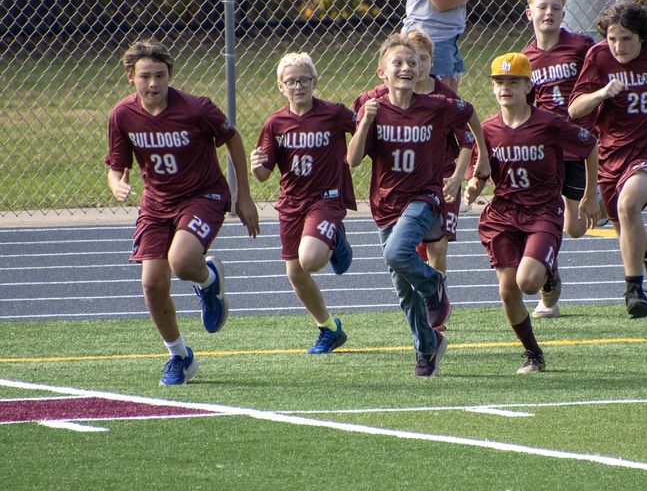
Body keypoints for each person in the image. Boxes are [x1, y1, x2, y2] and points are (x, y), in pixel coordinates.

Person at [105, 40, 260, 385]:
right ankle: (180, 356)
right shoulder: (122, 115)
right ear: (131, 77)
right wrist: (116, 183)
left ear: (171, 74)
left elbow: (232, 139)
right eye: (145, 76)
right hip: (156, 205)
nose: (154, 84)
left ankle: (207, 280)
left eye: (161, 75)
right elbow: (117, 167)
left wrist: (243, 197)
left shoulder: (196, 108)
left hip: (203, 195)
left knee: (182, 261)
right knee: (152, 284)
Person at [347, 33, 489, 377]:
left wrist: (478, 160)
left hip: (424, 196)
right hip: (385, 203)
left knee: (396, 252)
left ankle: (432, 284)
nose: (406, 67)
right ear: (382, 72)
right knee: (403, 292)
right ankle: (428, 347)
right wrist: (365, 120)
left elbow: (469, 117)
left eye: (412, 62)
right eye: (397, 62)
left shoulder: (438, 104)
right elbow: (352, 160)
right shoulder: (370, 103)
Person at [464, 53, 599, 372]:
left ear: (528, 86)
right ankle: (533, 354)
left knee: (528, 282)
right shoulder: (487, 130)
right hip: (503, 214)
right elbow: (480, 172)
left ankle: (547, 270)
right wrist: (472, 187)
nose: (505, 88)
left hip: (542, 212)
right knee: (508, 289)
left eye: (514, 82)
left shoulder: (548, 124)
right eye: (499, 82)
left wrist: (590, 194)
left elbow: (589, 145)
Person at [568, 1, 647, 319]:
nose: (619, 46)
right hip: (609, 157)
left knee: (628, 205)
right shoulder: (598, 56)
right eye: (613, 39)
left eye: (626, 38)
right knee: (628, 232)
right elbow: (575, 110)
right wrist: (601, 93)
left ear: (642, 37)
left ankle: (633, 289)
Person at [250, 52, 357, 355]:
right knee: (295, 273)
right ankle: (329, 328)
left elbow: (364, 131)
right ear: (281, 86)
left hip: (325, 198)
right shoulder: (275, 123)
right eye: (292, 81)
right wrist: (256, 164)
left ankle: (334, 237)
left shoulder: (334, 113)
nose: (299, 86)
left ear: (315, 82)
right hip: (292, 202)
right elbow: (263, 175)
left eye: (304, 80)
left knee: (310, 259)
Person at [519, 0, 603, 318]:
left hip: (578, 146)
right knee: (537, 215)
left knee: (576, 228)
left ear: (564, 13)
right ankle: (547, 272)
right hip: (543, 150)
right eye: (542, 7)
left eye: (555, 7)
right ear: (530, 13)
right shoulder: (524, 59)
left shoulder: (582, 47)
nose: (548, 13)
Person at [406, 30, 475, 276]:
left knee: (439, 247)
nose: (418, 65)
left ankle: (436, 300)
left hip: (443, 177)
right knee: (410, 250)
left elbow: (467, 140)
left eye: (423, 58)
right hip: (408, 181)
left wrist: (458, 177)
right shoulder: (395, 96)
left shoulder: (445, 97)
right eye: (412, 59)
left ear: (432, 61)